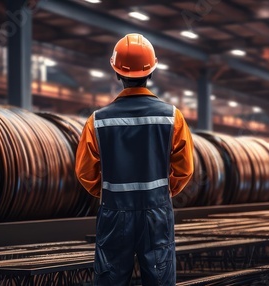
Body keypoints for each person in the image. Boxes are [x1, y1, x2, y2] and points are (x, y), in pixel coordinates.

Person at [74, 33, 195, 285]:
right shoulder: (172, 117)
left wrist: (109, 193)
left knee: (110, 279)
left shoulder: (97, 120)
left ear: (117, 73)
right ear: (151, 71)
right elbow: (184, 169)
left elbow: (85, 172)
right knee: (159, 278)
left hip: (115, 213)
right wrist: (163, 192)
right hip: (156, 212)